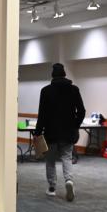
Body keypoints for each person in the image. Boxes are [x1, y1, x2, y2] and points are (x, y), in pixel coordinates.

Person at [34, 62, 85, 202]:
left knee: (50, 160)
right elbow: (81, 111)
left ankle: (52, 187)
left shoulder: (45, 91)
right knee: (67, 157)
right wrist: (75, 125)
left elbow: (42, 114)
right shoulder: (74, 90)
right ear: (64, 74)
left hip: (51, 132)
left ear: (52, 75)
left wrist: (38, 132)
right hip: (68, 132)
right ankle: (69, 181)